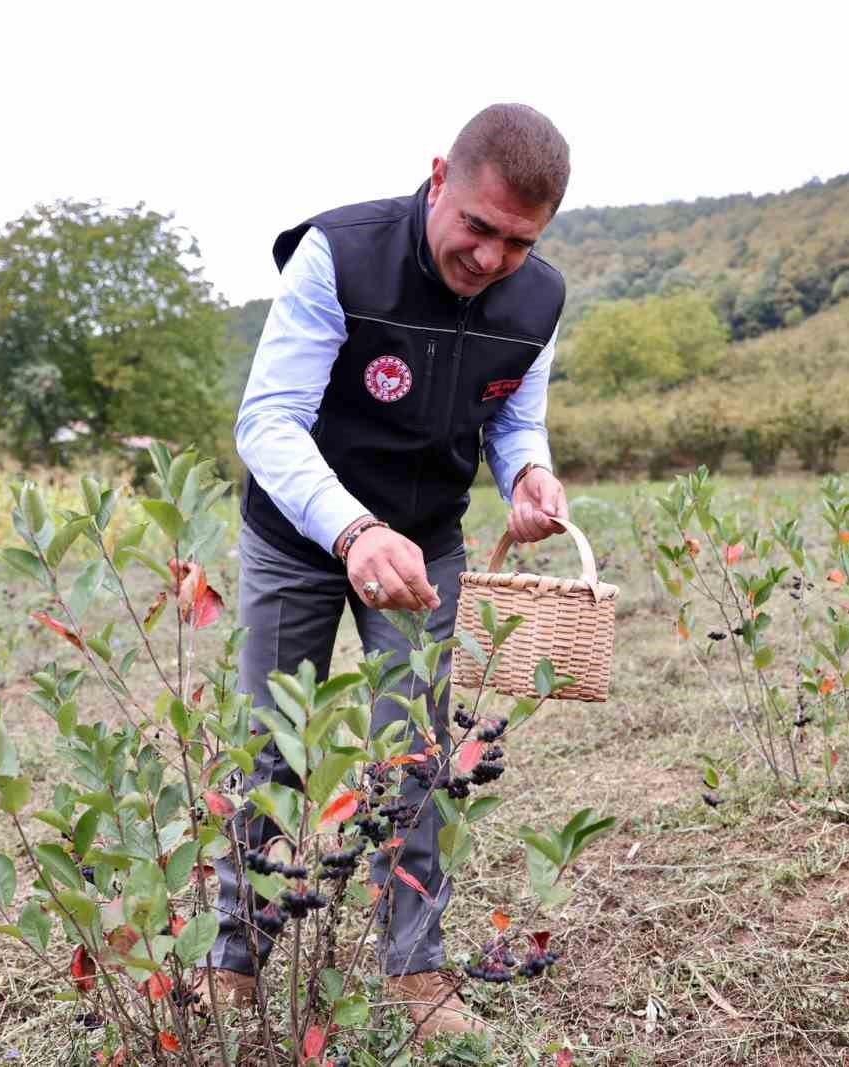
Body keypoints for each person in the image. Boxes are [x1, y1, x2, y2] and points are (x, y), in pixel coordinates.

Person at [206, 103, 572, 1040]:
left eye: (518, 242)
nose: (491, 259)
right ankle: (235, 966)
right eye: (479, 226)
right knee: (272, 748)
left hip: (428, 545)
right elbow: (268, 422)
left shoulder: (539, 300)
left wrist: (529, 473)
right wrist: (352, 529)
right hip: (299, 535)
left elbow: (513, 414)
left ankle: (416, 970)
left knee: (417, 754)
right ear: (439, 175)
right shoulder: (338, 253)